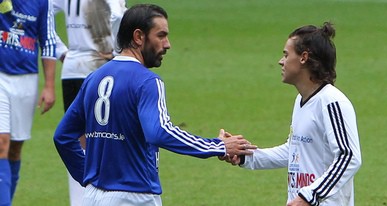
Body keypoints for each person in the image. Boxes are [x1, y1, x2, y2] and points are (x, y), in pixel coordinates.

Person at [53, 4, 256, 206]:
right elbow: (159, 132)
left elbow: (63, 136)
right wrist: (217, 146)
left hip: (92, 198)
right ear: (139, 37)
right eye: (161, 35)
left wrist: (88, 179)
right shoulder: (147, 82)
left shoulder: (93, 79)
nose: (167, 44)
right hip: (133, 197)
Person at [224, 22, 362, 206]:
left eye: (286, 55)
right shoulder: (301, 101)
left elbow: (349, 156)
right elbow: (294, 150)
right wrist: (246, 156)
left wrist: (309, 195)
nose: (281, 61)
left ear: (304, 57)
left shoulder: (332, 102)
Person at [52, 0, 126, 205]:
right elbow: (119, 17)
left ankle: (80, 201)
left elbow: (44, 12)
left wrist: (60, 51)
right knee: (107, 137)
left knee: (77, 141)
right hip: (103, 69)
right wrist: (116, 52)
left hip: (73, 68)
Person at [0, 0, 57, 205]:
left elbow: (48, 41)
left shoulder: (42, 2)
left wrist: (49, 85)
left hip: (26, 80)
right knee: (2, 142)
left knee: (15, 147)